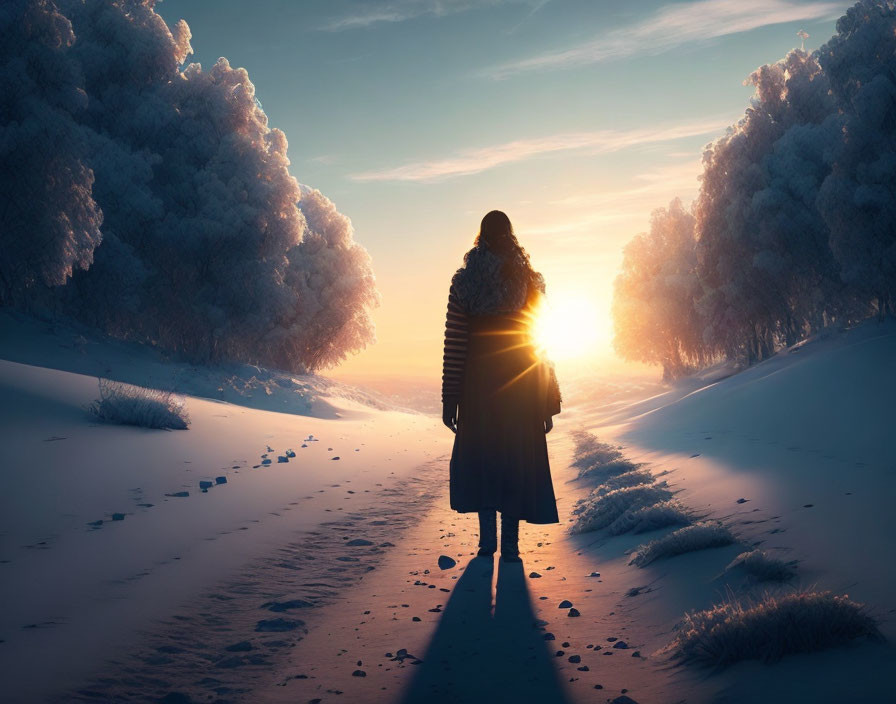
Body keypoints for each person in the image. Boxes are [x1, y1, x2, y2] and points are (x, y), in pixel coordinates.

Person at [441, 210, 562, 563]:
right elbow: (540, 341)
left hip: (479, 387)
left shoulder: (464, 282)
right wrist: (546, 396)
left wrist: (451, 398)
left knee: (484, 459)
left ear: (481, 236)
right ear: (511, 236)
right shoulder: (529, 281)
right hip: (521, 385)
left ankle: (486, 544)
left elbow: (455, 344)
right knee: (515, 460)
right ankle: (510, 544)